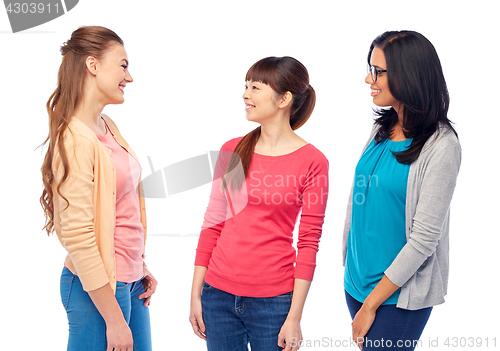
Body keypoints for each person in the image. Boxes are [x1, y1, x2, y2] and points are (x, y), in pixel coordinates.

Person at [189, 56, 329, 351]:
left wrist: (294, 317)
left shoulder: (313, 162)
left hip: (273, 303)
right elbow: (213, 223)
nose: (245, 94)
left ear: (284, 99)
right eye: (246, 86)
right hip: (217, 296)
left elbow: (309, 242)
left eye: (255, 87)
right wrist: (196, 294)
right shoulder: (233, 149)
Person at [40, 26, 157, 351]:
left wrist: (139, 266)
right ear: (93, 65)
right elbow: (78, 234)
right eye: (122, 65)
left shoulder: (107, 127)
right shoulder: (75, 139)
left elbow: (120, 208)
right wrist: (115, 320)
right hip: (98, 288)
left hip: (129, 281)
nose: (128, 77)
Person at [342, 30, 461, 350]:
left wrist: (371, 305)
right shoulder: (381, 127)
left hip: (395, 298)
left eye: (378, 71)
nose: (369, 79)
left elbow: (424, 240)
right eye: (370, 68)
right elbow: (362, 199)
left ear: (409, 75)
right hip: (357, 284)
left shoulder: (442, 145)